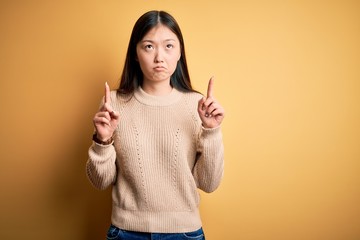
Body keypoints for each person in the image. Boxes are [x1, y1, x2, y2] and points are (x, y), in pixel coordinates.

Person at [86, 10, 225, 240]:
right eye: (149, 46)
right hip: (126, 232)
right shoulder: (114, 103)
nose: (159, 57)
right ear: (135, 53)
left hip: (184, 232)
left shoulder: (198, 106)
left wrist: (211, 131)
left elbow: (209, 184)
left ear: (180, 51)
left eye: (169, 46)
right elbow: (100, 182)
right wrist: (102, 141)